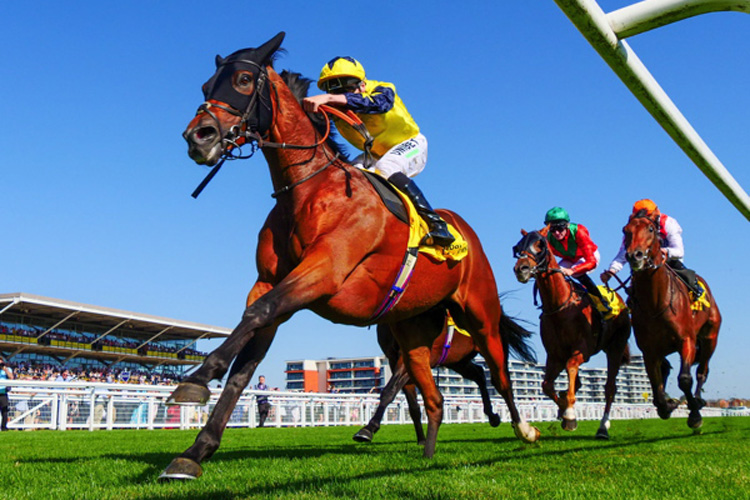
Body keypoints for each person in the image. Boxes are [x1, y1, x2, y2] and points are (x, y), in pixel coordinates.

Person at [302, 56, 454, 247]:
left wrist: (330, 97)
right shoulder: (335, 109)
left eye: (346, 87)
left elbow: (379, 104)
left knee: (387, 167)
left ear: (363, 85)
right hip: (375, 154)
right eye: (332, 89)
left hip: (411, 144)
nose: (339, 94)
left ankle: (437, 224)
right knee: (349, 175)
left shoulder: (383, 89)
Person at [601, 199, 703, 295]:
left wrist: (663, 251)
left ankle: (696, 292)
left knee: (690, 281)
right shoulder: (634, 228)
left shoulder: (668, 223)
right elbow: (624, 253)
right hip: (644, 263)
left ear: (656, 213)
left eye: (648, 216)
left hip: (669, 260)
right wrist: (612, 271)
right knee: (632, 293)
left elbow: (679, 251)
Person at [544, 207, 611, 312]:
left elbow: (591, 262)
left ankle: (601, 300)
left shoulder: (579, 231)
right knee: (555, 273)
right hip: (569, 258)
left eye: (560, 229)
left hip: (588, 257)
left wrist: (572, 271)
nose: (556, 233)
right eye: (552, 229)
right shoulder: (549, 238)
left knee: (576, 273)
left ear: (567, 225)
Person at [0, 359, 14, 431]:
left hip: (3, 392)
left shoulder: (7, 369)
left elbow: (11, 377)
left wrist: (5, 369)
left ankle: (3, 427)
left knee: (4, 411)